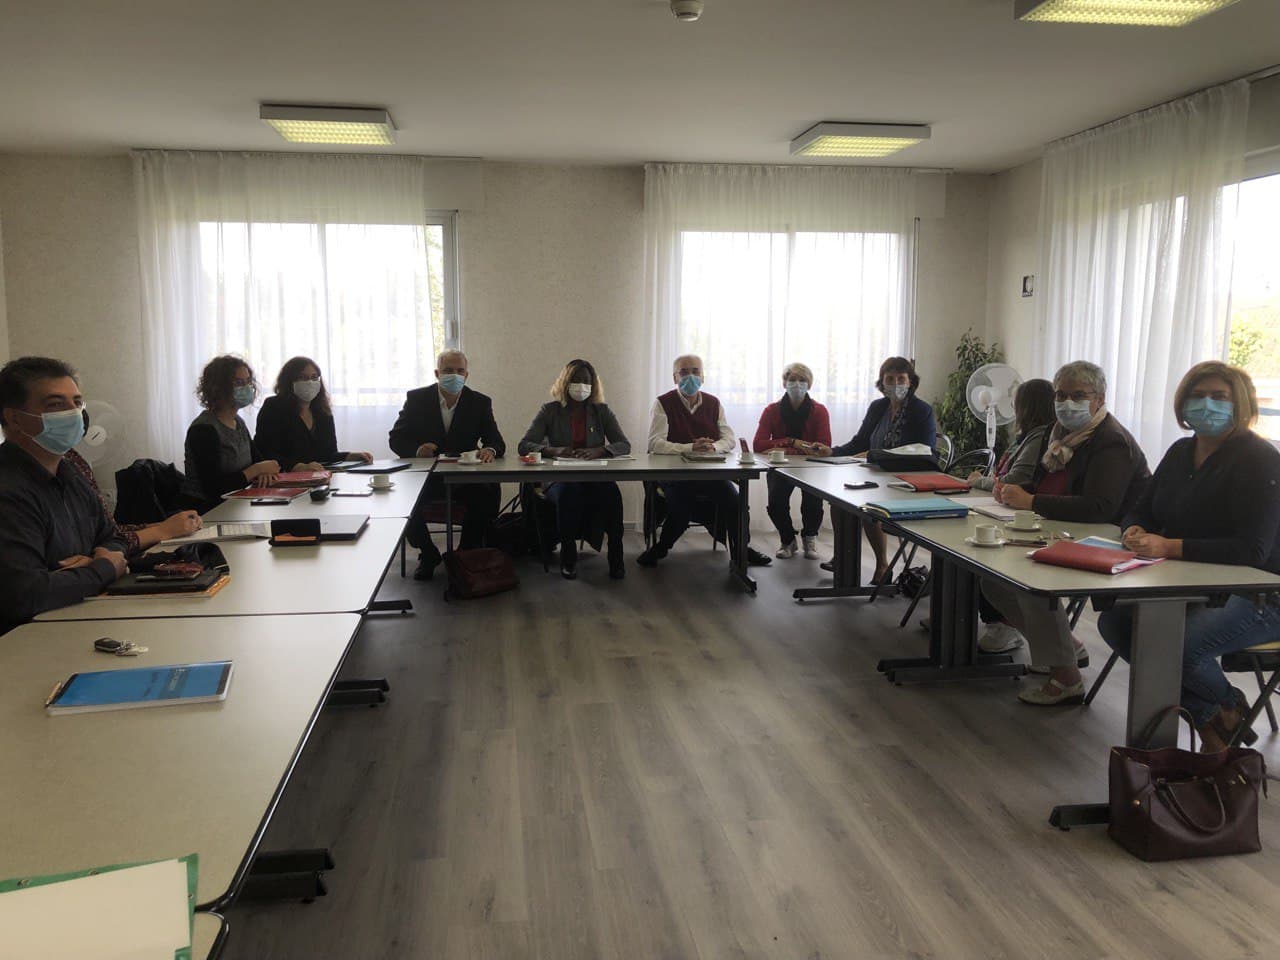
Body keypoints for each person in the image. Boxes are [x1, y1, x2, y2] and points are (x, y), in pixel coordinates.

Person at [1097, 362, 1280, 750]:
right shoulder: (1180, 452)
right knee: (1115, 623)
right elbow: (1142, 507)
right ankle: (1223, 710)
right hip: (1189, 583)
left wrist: (1170, 546)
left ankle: (1213, 730)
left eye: (1219, 396)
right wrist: (1134, 528)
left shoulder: (1260, 459)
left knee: (1175, 644)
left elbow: (1253, 549)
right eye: (1197, 396)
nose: (1206, 404)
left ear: (1240, 404)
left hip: (1260, 595)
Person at [979, 360, 1150, 705]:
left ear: (1099, 399)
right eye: (1060, 395)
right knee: (994, 580)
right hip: (1059, 528)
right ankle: (1063, 647)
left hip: (1108, 538)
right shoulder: (1057, 434)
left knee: (1030, 579)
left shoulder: (1111, 442)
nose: (1067, 403)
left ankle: (1067, 677)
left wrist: (1031, 501)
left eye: (1078, 396)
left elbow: (1100, 508)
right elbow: (1042, 484)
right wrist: (1012, 492)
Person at [0, 356, 128, 631]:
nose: (74, 413)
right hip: (23, 640)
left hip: (80, 619)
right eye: (56, 404)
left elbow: (112, 536)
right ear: (14, 418)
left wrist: (99, 560)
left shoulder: (70, 471)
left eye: (77, 402)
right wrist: (103, 569)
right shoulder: (8, 490)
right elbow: (25, 593)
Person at [809, 356, 936, 583]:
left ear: (911, 382)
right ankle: (844, 558)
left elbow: (924, 452)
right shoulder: (878, 407)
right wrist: (832, 451)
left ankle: (882, 565)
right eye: (890, 379)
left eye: (901, 379)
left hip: (905, 481)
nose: (895, 384)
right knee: (839, 501)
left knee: (866, 505)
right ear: (881, 382)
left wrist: (875, 455)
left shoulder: (921, 410)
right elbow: (859, 443)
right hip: (874, 474)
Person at [638, 354, 771, 569]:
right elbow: (655, 443)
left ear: (703, 377)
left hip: (710, 473)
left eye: (695, 371)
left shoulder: (713, 403)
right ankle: (662, 547)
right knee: (682, 505)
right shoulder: (663, 403)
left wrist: (713, 447)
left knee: (736, 502)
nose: (690, 376)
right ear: (674, 377)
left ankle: (741, 549)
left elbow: (729, 438)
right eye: (684, 372)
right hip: (674, 474)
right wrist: (690, 447)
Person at [388, 349, 506, 580]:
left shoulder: (479, 402)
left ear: (467, 375)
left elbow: (496, 441)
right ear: (437, 373)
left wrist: (489, 450)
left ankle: (465, 555)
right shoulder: (417, 399)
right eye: (448, 370)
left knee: (488, 493)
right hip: (427, 476)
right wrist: (417, 450)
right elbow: (396, 438)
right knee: (402, 499)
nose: (455, 375)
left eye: (460, 371)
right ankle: (428, 553)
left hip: (465, 477)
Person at [518, 359, 630, 580]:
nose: (581, 386)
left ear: (593, 385)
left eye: (586, 381)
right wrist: (553, 450)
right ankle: (568, 557)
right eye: (575, 380)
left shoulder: (601, 411)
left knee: (611, 494)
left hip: (594, 476)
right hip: (558, 479)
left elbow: (624, 444)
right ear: (565, 383)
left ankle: (616, 557)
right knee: (569, 493)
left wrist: (600, 450)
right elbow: (524, 445)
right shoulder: (550, 410)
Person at [178, 355, 282, 513]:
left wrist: (262, 471)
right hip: (206, 511)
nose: (246, 387)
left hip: (238, 505)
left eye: (248, 381)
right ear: (218, 388)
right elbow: (214, 488)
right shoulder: (203, 429)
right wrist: (256, 470)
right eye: (239, 383)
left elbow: (260, 461)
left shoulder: (238, 422)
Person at [754, 362, 832, 560]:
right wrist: (793, 442)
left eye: (802, 380)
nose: (797, 384)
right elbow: (758, 445)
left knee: (813, 504)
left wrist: (782, 447)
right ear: (784, 383)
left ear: (810, 384)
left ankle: (810, 538)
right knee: (776, 503)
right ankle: (787, 540)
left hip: (811, 467)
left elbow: (822, 447)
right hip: (780, 465)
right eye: (792, 379)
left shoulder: (819, 411)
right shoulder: (771, 410)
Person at [64, 447, 202, 557]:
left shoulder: (74, 460)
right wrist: (162, 530)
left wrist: (163, 526)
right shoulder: (65, 466)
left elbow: (110, 532)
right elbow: (101, 549)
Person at [254, 356, 373, 470]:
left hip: (318, 477)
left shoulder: (322, 410)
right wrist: (297, 467)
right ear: (289, 381)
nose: (310, 382)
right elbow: (264, 451)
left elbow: (328, 454)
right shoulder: (273, 407)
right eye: (303, 377)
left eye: (314, 377)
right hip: (284, 477)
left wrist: (350, 456)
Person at [968, 378, 1056, 492]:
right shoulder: (1027, 435)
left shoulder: (1040, 437)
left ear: (1026, 408)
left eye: (1015, 405)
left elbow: (1014, 480)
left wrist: (978, 481)